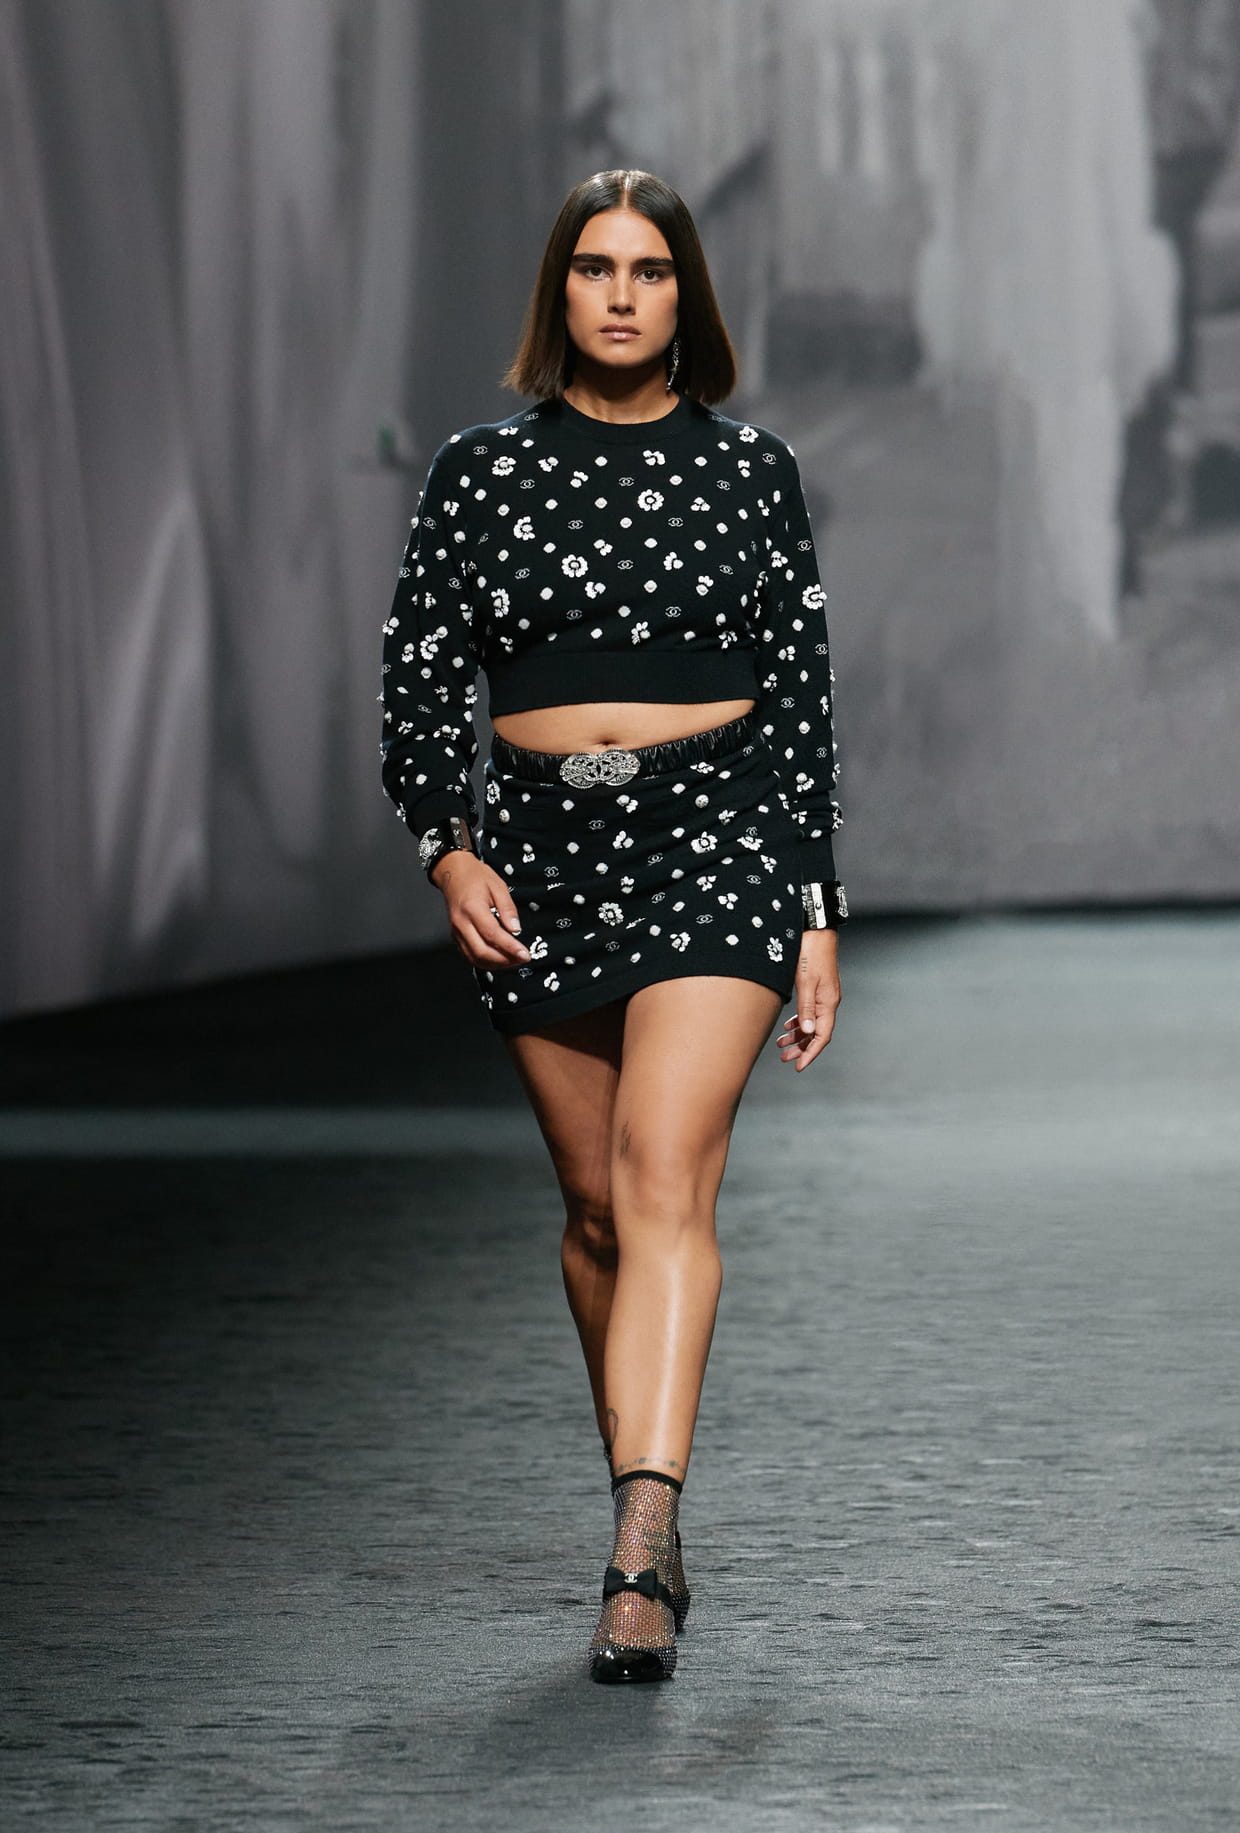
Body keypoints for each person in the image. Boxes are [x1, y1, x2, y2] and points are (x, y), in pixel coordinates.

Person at [380, 169, 846, 1684]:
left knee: (659, 1175)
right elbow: (416, 679)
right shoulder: (478, 473)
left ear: (685, 293)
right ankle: (646, 1499)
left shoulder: (752, 469)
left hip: (718, 834)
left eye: (651, 269)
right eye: (596, 268)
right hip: (542, 852)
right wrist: (449, 850)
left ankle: (641, 1549)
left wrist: (815, 908)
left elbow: (801, 698)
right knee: (594, 1209)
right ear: (560, 290)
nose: (624, 294)